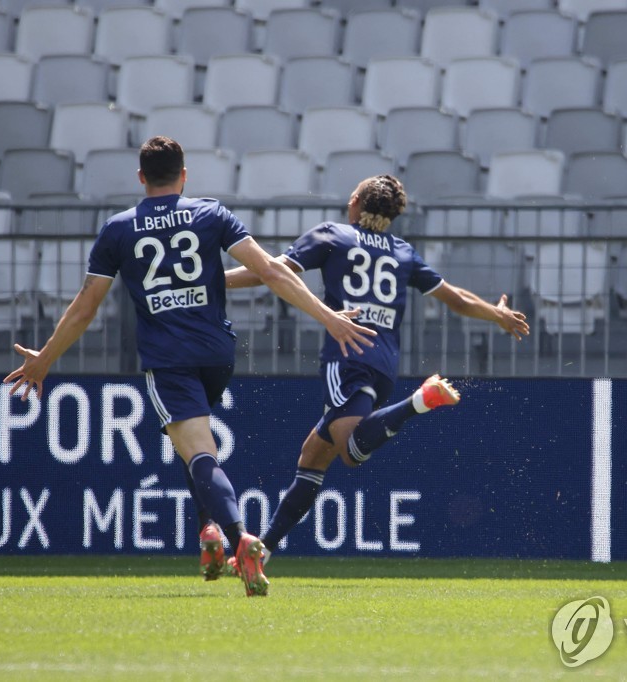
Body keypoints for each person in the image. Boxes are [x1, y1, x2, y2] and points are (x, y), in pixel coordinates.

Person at [3, 136, 375, 597]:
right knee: (192, 441)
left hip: (169, 358)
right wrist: (329, 317)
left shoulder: (118, 229)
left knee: (199, 451)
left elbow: (84, 307)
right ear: (184, 174)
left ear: (141, 177)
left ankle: (240, 540)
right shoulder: (211, 213)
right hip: (217, 354)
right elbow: (274, 272)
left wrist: (44, 360)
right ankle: (209, 532)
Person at [220, 174, 530, 573]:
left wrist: (213, 281)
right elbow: (456, 298)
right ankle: (264, 550)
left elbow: (271, 271)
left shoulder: (332, 235)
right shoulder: (402, 252)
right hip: (383, 364)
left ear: (354, 202)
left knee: (350, 454)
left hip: (346, 353)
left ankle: (421, 401)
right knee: (314, 455)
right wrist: (497, 314)